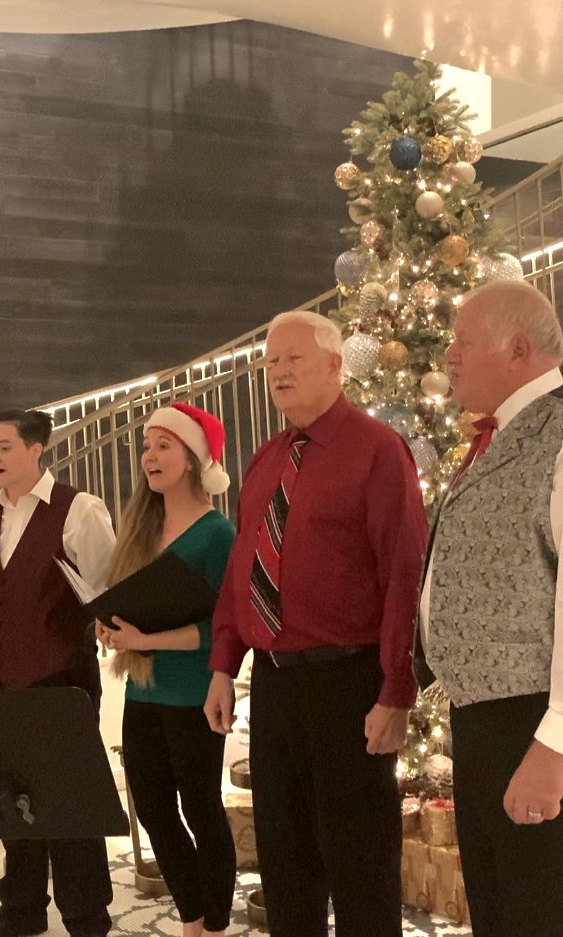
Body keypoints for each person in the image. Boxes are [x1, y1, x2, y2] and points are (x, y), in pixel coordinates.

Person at [204, 310, 428, 937]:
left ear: (335, 365)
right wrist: (224, 665)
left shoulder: (378, 449)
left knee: (360, 870)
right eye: (271, 361)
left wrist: (395, 690)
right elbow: (241, 573)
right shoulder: (265, 460)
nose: (277, 371)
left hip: (348, 687)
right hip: (274, 690)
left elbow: (403, 575)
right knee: (286, 867)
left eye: (292, 359)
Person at [418, 280, 563, 937]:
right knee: (499, 912)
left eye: (463, 341)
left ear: (518, 348)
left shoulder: (556, 435)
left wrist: (554, 744)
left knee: (538, 911)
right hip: (484, 719)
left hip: (535, 722)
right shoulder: (498, 437)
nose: (448, 355)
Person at [0, 408, 115, 937]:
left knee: (71, 806)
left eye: (4, 447)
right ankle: (22, 908)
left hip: (61, 680)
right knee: (12, 802)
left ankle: (85, 916)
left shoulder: (79, 511)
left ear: (36, 450)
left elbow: (105, 592)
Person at [96, 402, 237, 937]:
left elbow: (224, 627)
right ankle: (193, 917)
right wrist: (110, 629)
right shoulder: (140, 525)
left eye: (163, 445)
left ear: (193, 458)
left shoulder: (217, 532)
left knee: (202, 810)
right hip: (144, 692)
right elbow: (133, 606)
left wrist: (145, 638)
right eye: (147, 446)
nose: (149, 455)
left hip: (196, 694)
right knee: (153, 812)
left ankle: (215, 926)